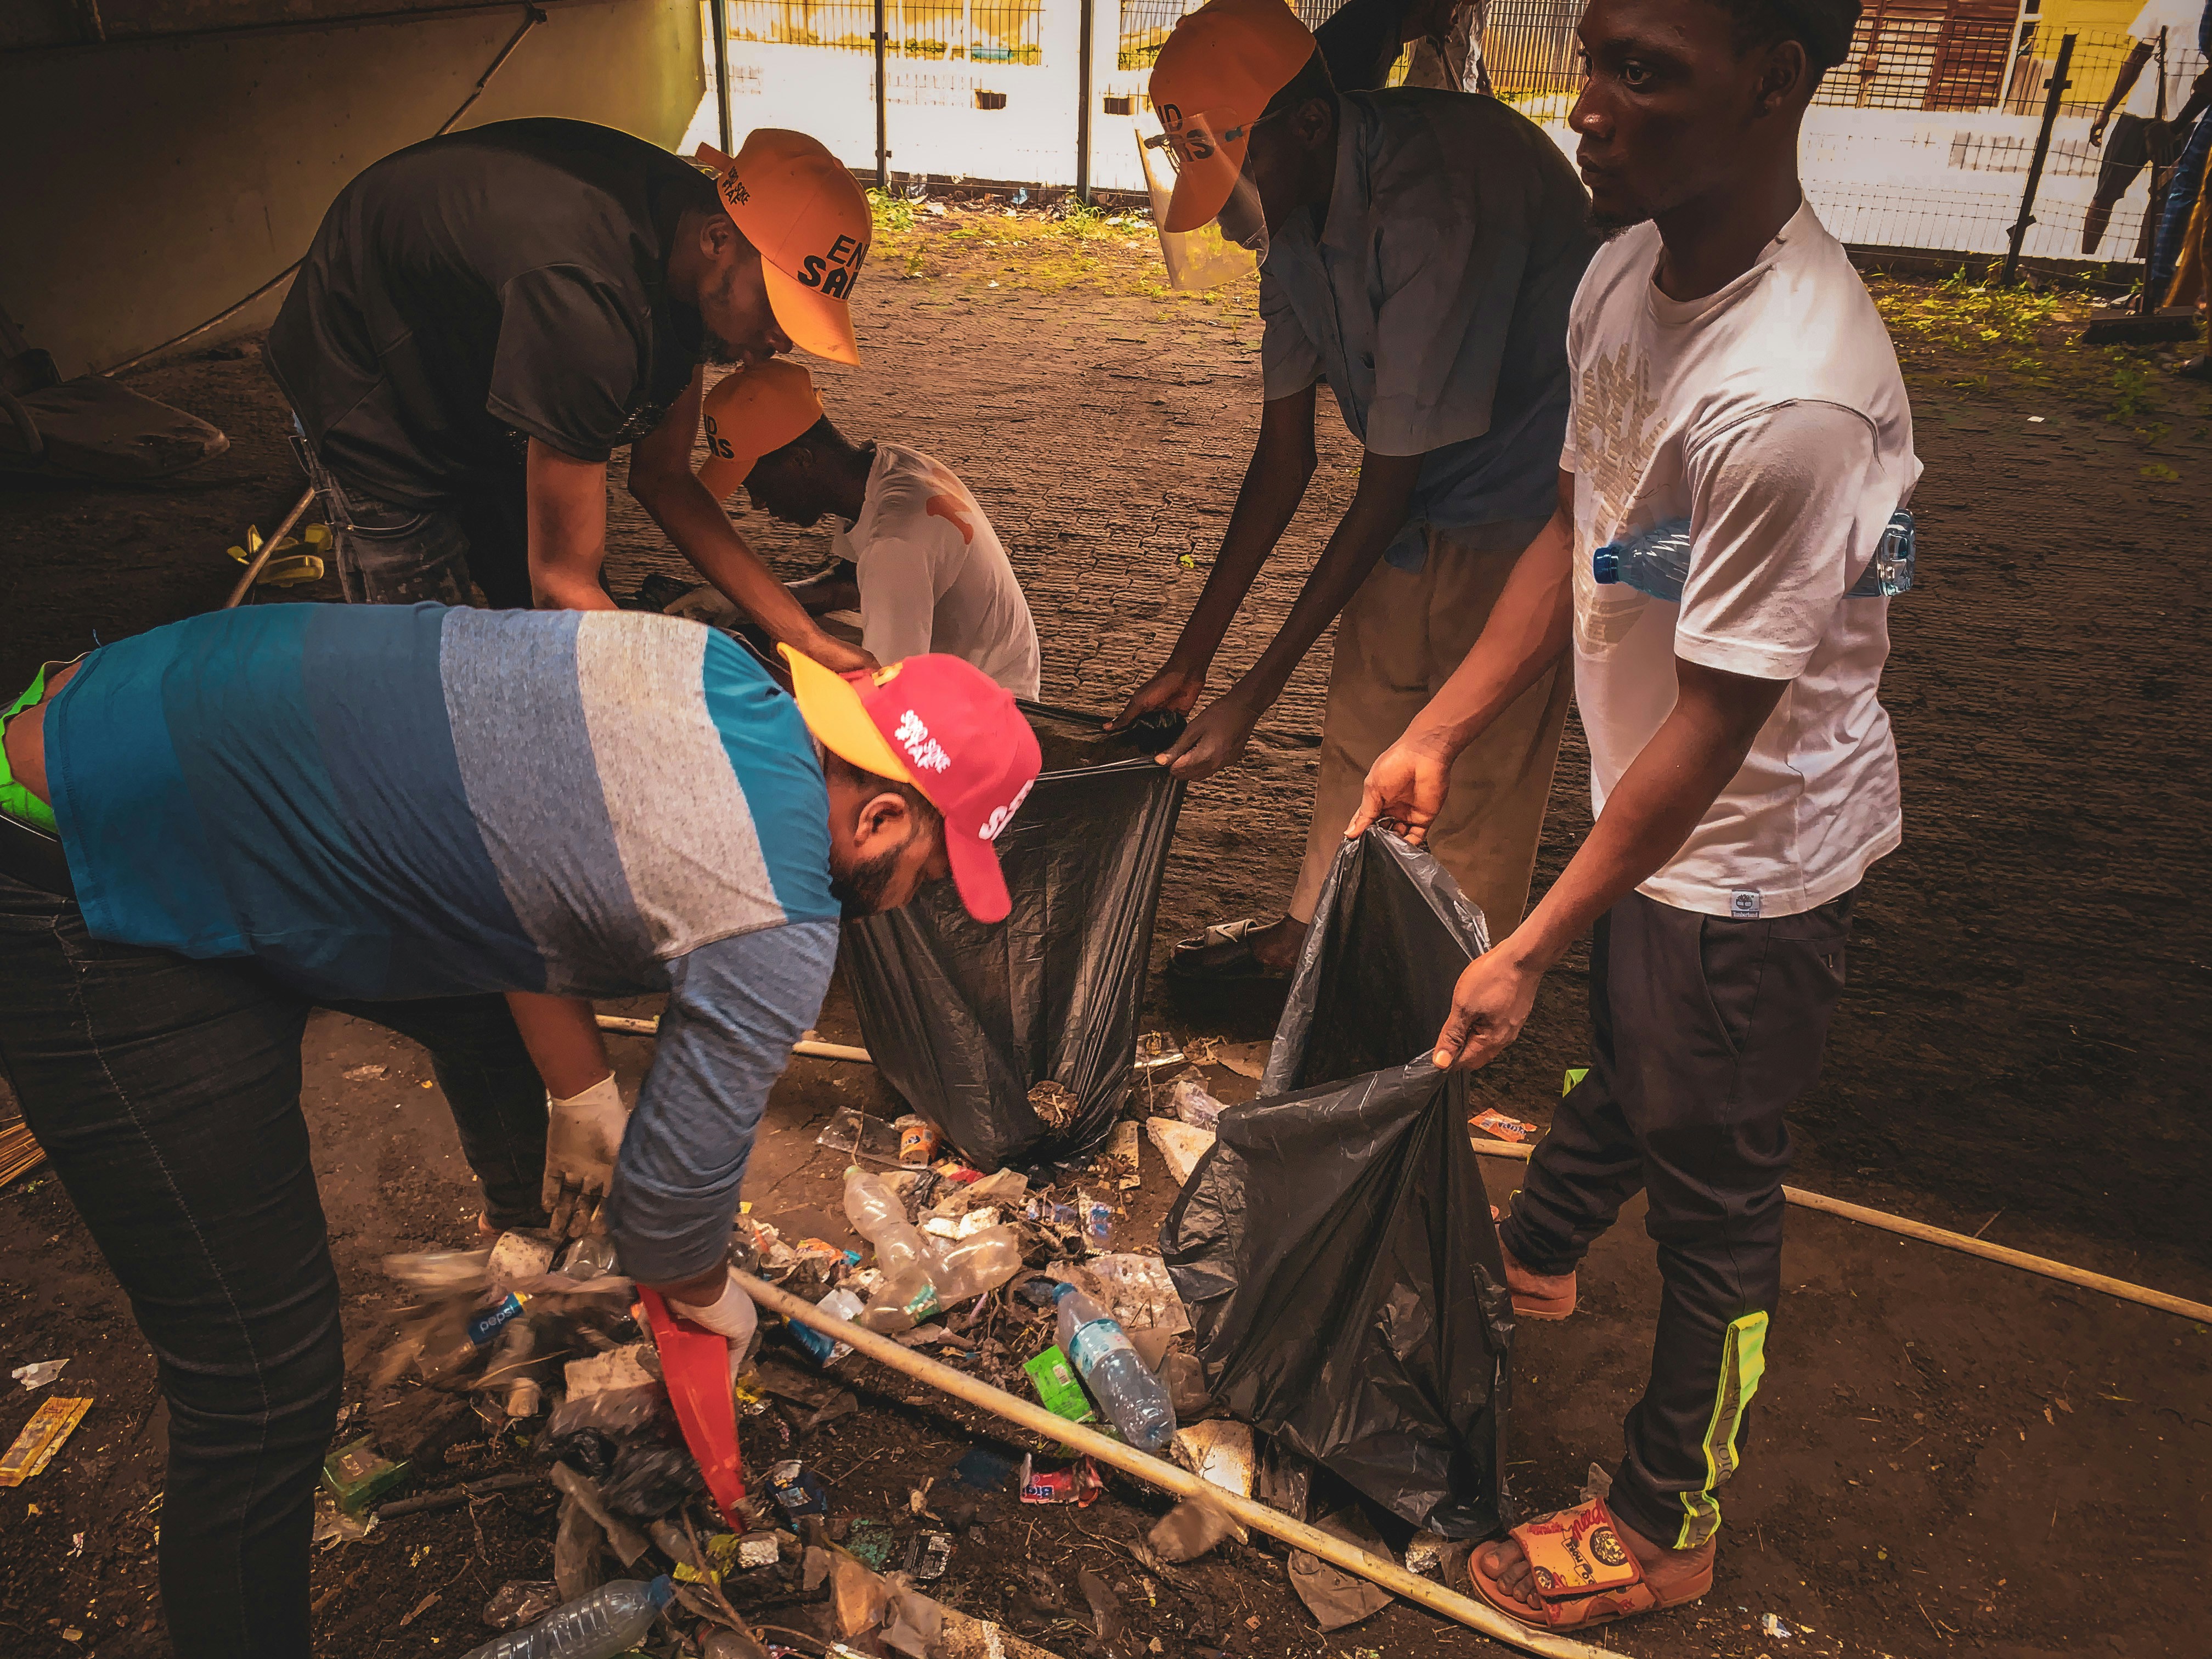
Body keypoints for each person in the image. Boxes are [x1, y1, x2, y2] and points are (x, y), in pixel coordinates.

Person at [0, 603, 1040, 1658]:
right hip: (81, 871)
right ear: (877, 822)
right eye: (934, 871)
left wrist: (580, 1094)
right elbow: (672, 1220)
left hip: (125, 697)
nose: (915, 901)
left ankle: (523, 1252)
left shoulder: (709, 666)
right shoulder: (776, 913)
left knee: (472, 1015)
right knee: (260, 1388)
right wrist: (712, 1299)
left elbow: (511, 849)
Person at [1349, 0, 1912, 1630]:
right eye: (1589, 56)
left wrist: (1522, 937)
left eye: (1642, 72)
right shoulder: (1622, 268)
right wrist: (1444, 726)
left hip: (1751, 856)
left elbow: (1721, 732)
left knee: (1719, 1176)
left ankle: (1672, 1517)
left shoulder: (1791, 394)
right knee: (1637, 1033)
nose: (1584, 107)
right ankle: (1544, 1245)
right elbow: (1585, 534)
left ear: (1776, 82)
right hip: (1655, 813)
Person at [1111, 0, 1595, 981]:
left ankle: (1447, 990)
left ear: (1310, 125)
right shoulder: (1287, 222)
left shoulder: (1434, 204)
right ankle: (1312, 937)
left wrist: (1254, 690)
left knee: (1474, 746)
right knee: (1364, 712)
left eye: (1236, 174)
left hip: (1521, 490)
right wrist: (1193, 658)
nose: (1233, 205)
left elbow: (1382, 484)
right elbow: (1283, 457)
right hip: (1417, 487)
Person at [265, 117, 872, 673]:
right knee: (426, 660)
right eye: (778, 309)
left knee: (548, 624)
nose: (782, 340)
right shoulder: (587, 305)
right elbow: (561, 585)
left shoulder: (688, 251)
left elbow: (664, 478)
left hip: (495, 363)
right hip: (372, 371)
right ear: (719, 240)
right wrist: (723, 707)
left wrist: (803, 636)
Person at [686, 359, 1041, 698]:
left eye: (756, 485)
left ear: (801, 461)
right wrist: (738, 601)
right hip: (980, 668)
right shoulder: (885, 469)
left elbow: (888, 690)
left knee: (760, 671)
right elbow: (847, 584)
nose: (758, 504)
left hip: (987, 707)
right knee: (775, 636)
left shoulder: (894, 545)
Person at [2082, 0, 2211, 257]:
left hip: (2189, 119)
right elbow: (2138, 55)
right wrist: (2107, 109)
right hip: (2141, 110)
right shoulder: (2164, 3)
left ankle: (2141, 277)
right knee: (2106, 191)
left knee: (2164, 200)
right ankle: (2083, 260)